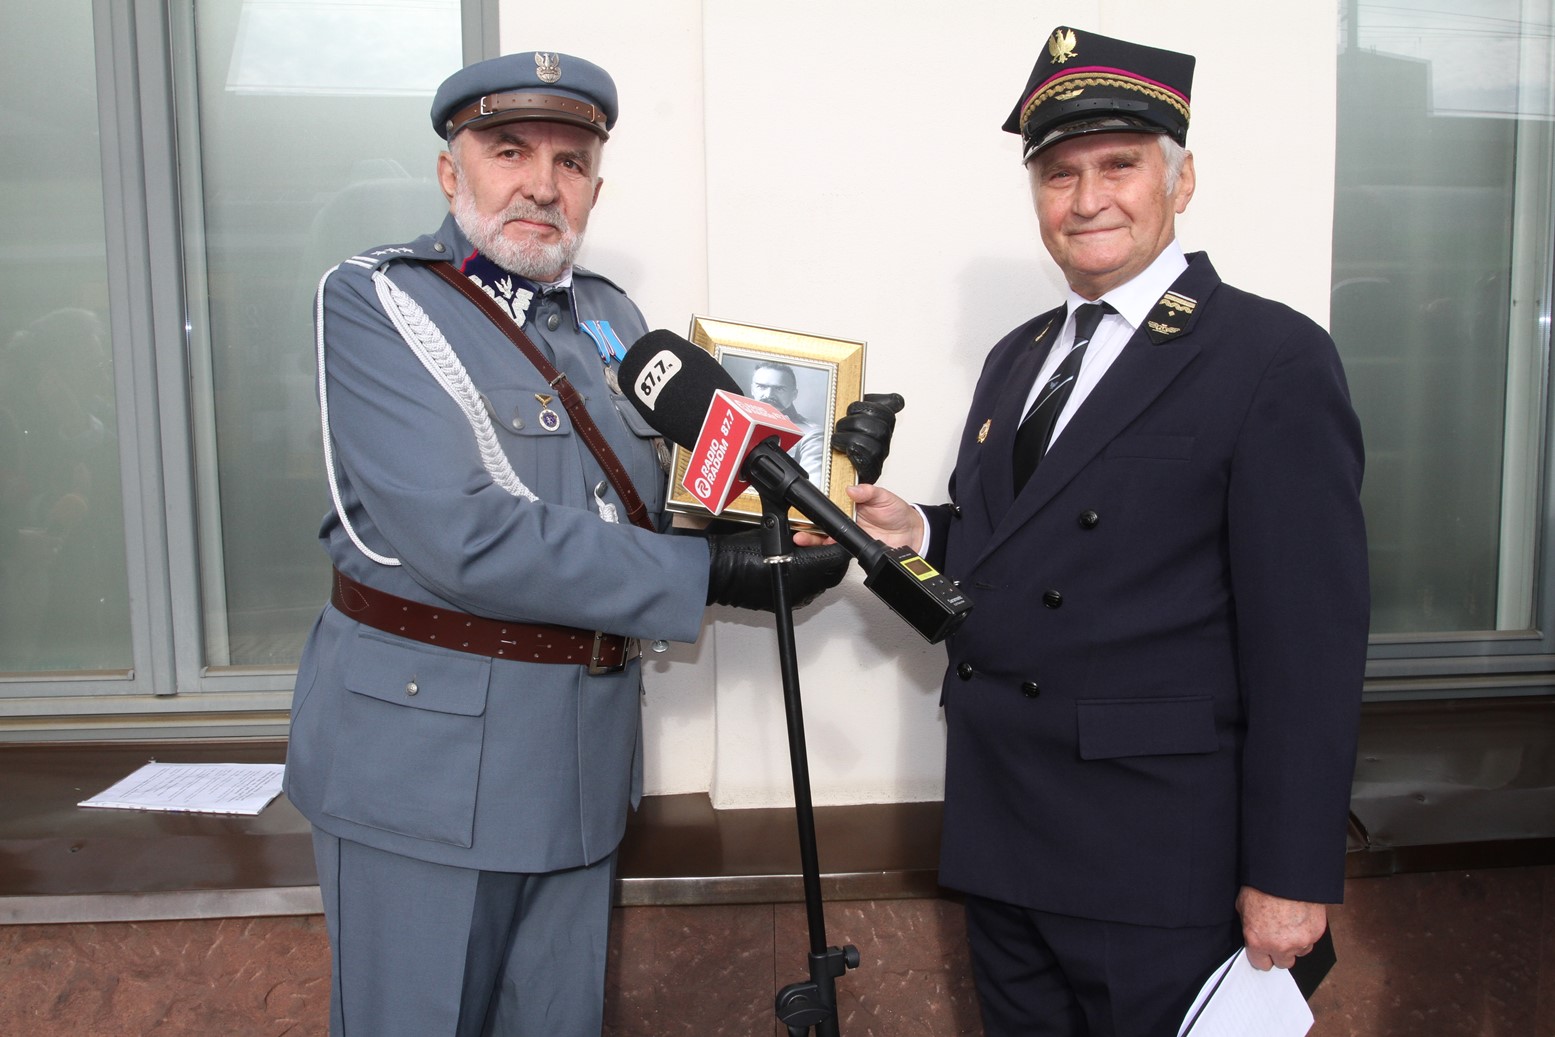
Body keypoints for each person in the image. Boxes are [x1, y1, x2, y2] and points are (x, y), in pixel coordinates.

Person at [283, 51, 848, 1037]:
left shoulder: (613, 321)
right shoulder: (380, 302)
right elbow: (461, 534)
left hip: (577, 759)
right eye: (509, 151)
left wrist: (807, 492)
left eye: (571, 161)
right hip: (423, 769)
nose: (543, 184)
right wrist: (710, 573)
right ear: (451, 171)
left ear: (595, 185)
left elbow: (646, 505)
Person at [820, 26, 1369, 1036]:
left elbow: (1311, 642)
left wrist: (1291, 871)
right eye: (1057, 174)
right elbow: (1018, 553)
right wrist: (921, 529)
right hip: (1002, 831)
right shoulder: (1016, 356)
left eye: (1117, 165)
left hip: (1159, 856)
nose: (1085, 199)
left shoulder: (1268, 356)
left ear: (1180, 179)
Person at [749, 360, 826, 484]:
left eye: (779, 389)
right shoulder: (734, 423)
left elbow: (813, 487)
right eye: (761, 387)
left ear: (794, 394)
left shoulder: (812, 434)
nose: (768, 395)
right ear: (752, 389)